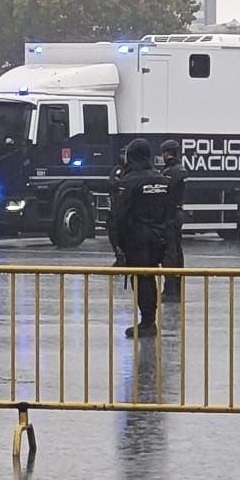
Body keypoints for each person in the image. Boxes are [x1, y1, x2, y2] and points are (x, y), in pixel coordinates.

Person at [108, 138, 178, 338]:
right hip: (160, 238)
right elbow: (170, 212)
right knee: (151, 276)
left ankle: (147, 322)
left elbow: (118, 216)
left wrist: (117, 246)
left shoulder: (130, 182)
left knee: (142, 279)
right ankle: (149, 319)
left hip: (138, 239)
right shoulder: (163, 180)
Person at [158, 139, 186, 302]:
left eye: (164, 152)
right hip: (177, 213)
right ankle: (176, 287)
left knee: (170, 253)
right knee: (177, 251)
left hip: (169, 216)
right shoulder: (180, 170)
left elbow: (163, 192)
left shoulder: (171, 172)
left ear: (168, 153)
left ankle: (171, 290)